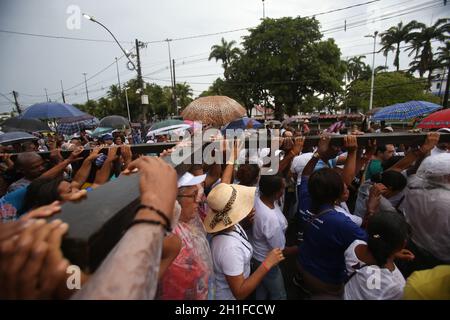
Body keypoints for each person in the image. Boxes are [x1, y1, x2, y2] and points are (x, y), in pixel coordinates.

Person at [205, 183, 285, 300]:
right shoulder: (230, 249)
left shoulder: (229, 224)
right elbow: (239, 293)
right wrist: (267, 263)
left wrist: (244, 223)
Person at [157, 172, 214, 300]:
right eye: (194, 195)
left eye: (198, 194)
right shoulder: (169, 238)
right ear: (176, 200)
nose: (198, 201)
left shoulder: (187, 226)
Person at [398, 152, 450, 277]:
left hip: (417, 249)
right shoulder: (446, 200)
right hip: (443, 258)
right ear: (446, 177)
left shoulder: (412, 188)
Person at [344, 210, 412, 300]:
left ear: (367, 228)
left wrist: (393, 252)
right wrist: (393, 252)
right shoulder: (395, 284)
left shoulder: (355, 246)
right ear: (402, 245)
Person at [251, 175, 296, 300]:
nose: (284, 189)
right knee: (279, 295)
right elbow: (279, 249)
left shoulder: (258, 199)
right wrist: (297, 249)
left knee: (262, 287)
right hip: (266, 261)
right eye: (283, 188)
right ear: (277, 193)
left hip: (256, 255)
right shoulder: (271, 219)